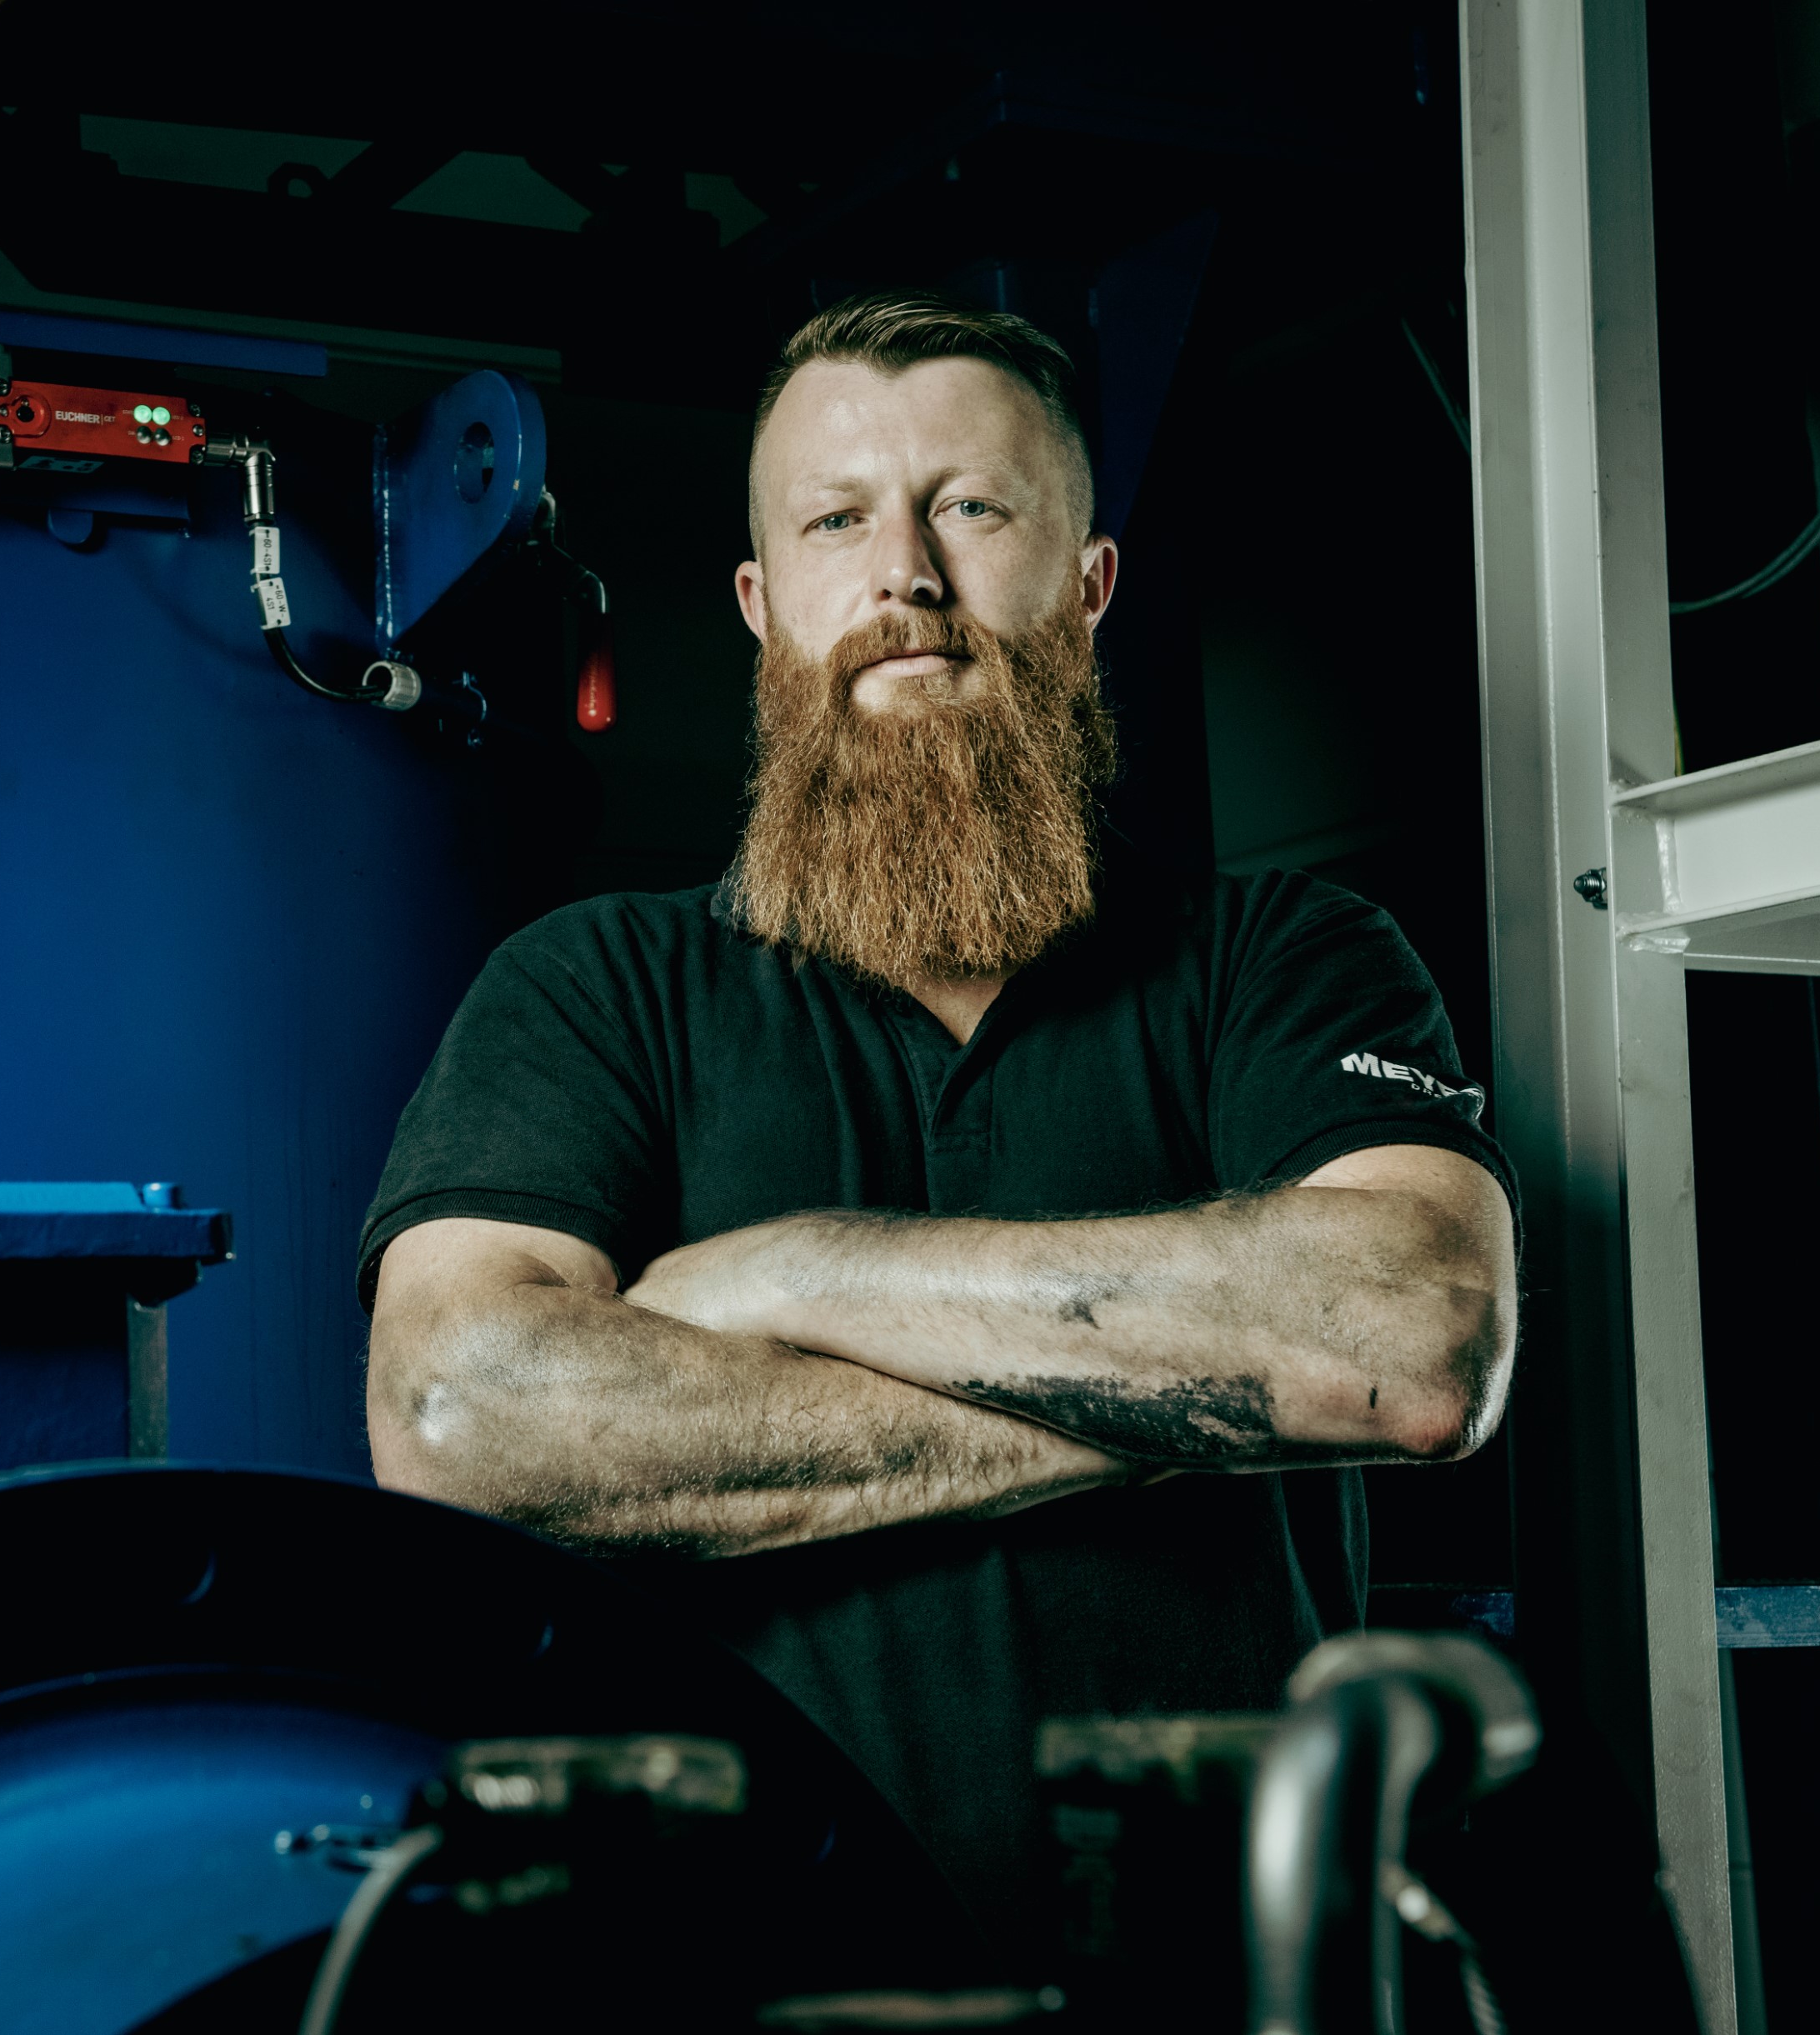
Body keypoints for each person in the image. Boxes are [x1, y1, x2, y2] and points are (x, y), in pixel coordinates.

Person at [356, 291, 1518, 1932]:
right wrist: (1211, 1398)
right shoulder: (592, 985)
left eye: (970, 508)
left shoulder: (1285, 958)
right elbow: (459, 1417)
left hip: (1240, 1970)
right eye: (836, 521)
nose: (903, 574)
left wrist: (792, 1272)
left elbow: (1412, 1335)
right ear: (762, 605)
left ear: (1088, 586)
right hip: (747, 1972)